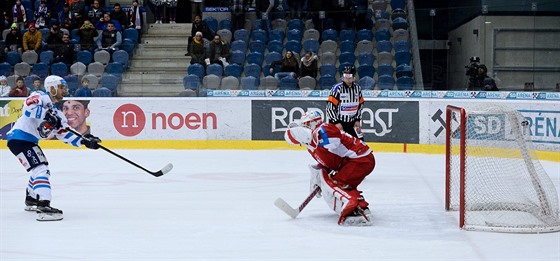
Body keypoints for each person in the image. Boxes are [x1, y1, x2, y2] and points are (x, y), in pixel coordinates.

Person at [6, 75, 101, 221]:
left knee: (37, 168)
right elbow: (28, 107)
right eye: (62, 87)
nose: (65, 90)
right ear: (52, 88)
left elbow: (64, 133)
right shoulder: (40, 96)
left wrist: (84, 140)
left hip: (27, 141)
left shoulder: (57, 113)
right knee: (41, 169)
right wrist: (46, 115)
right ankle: (44, 204)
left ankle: (31, 199)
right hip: (19, 138)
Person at [284, 111, 375, 226]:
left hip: (361, 160)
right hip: (354, 161)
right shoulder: (312, 144)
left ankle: (358, 212)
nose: (304, 127)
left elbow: (334, 141)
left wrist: (317, 139)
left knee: (338, 184)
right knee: (337, 182)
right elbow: (330, 162)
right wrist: (319, 178)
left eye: (306, 124)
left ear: (313, 123)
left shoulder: (324, 129)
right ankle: (360, 208)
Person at [326, 65, 364, 140]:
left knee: (360, 144)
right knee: (336, 146)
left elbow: (360, 105)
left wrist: (357, 119)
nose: (347, 77)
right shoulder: (337, 88)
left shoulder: (357, 88)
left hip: (352, 123)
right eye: (345, 75)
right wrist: (336, 122)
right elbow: (330, 108)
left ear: (353, 76)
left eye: (349, 75)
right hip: (338, 123)